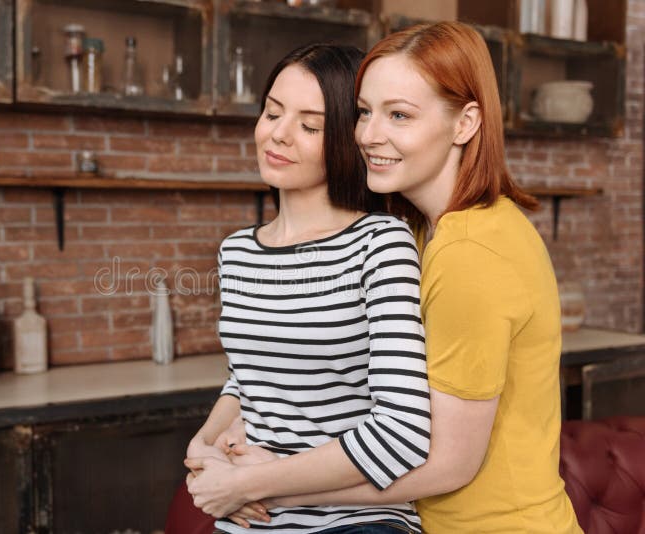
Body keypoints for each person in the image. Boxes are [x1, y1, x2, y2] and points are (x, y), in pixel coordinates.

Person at [219, 21, 580, 533]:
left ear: (465, 124)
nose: (369, 135)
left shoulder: (471, 253)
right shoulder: (422, 232)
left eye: (400, 116)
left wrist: (264, 484)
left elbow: (449, 463)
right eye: (364, 112)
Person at [184, 43, 431, 533]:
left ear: (344, 139)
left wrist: (253, 483)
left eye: (309, 125)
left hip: (358, 521)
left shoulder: (380, 244)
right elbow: (248, 380)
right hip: (250, 520)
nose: (278, 133)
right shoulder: (237, 253)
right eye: (273, 112)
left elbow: (403, 431)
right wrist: (200, 447)